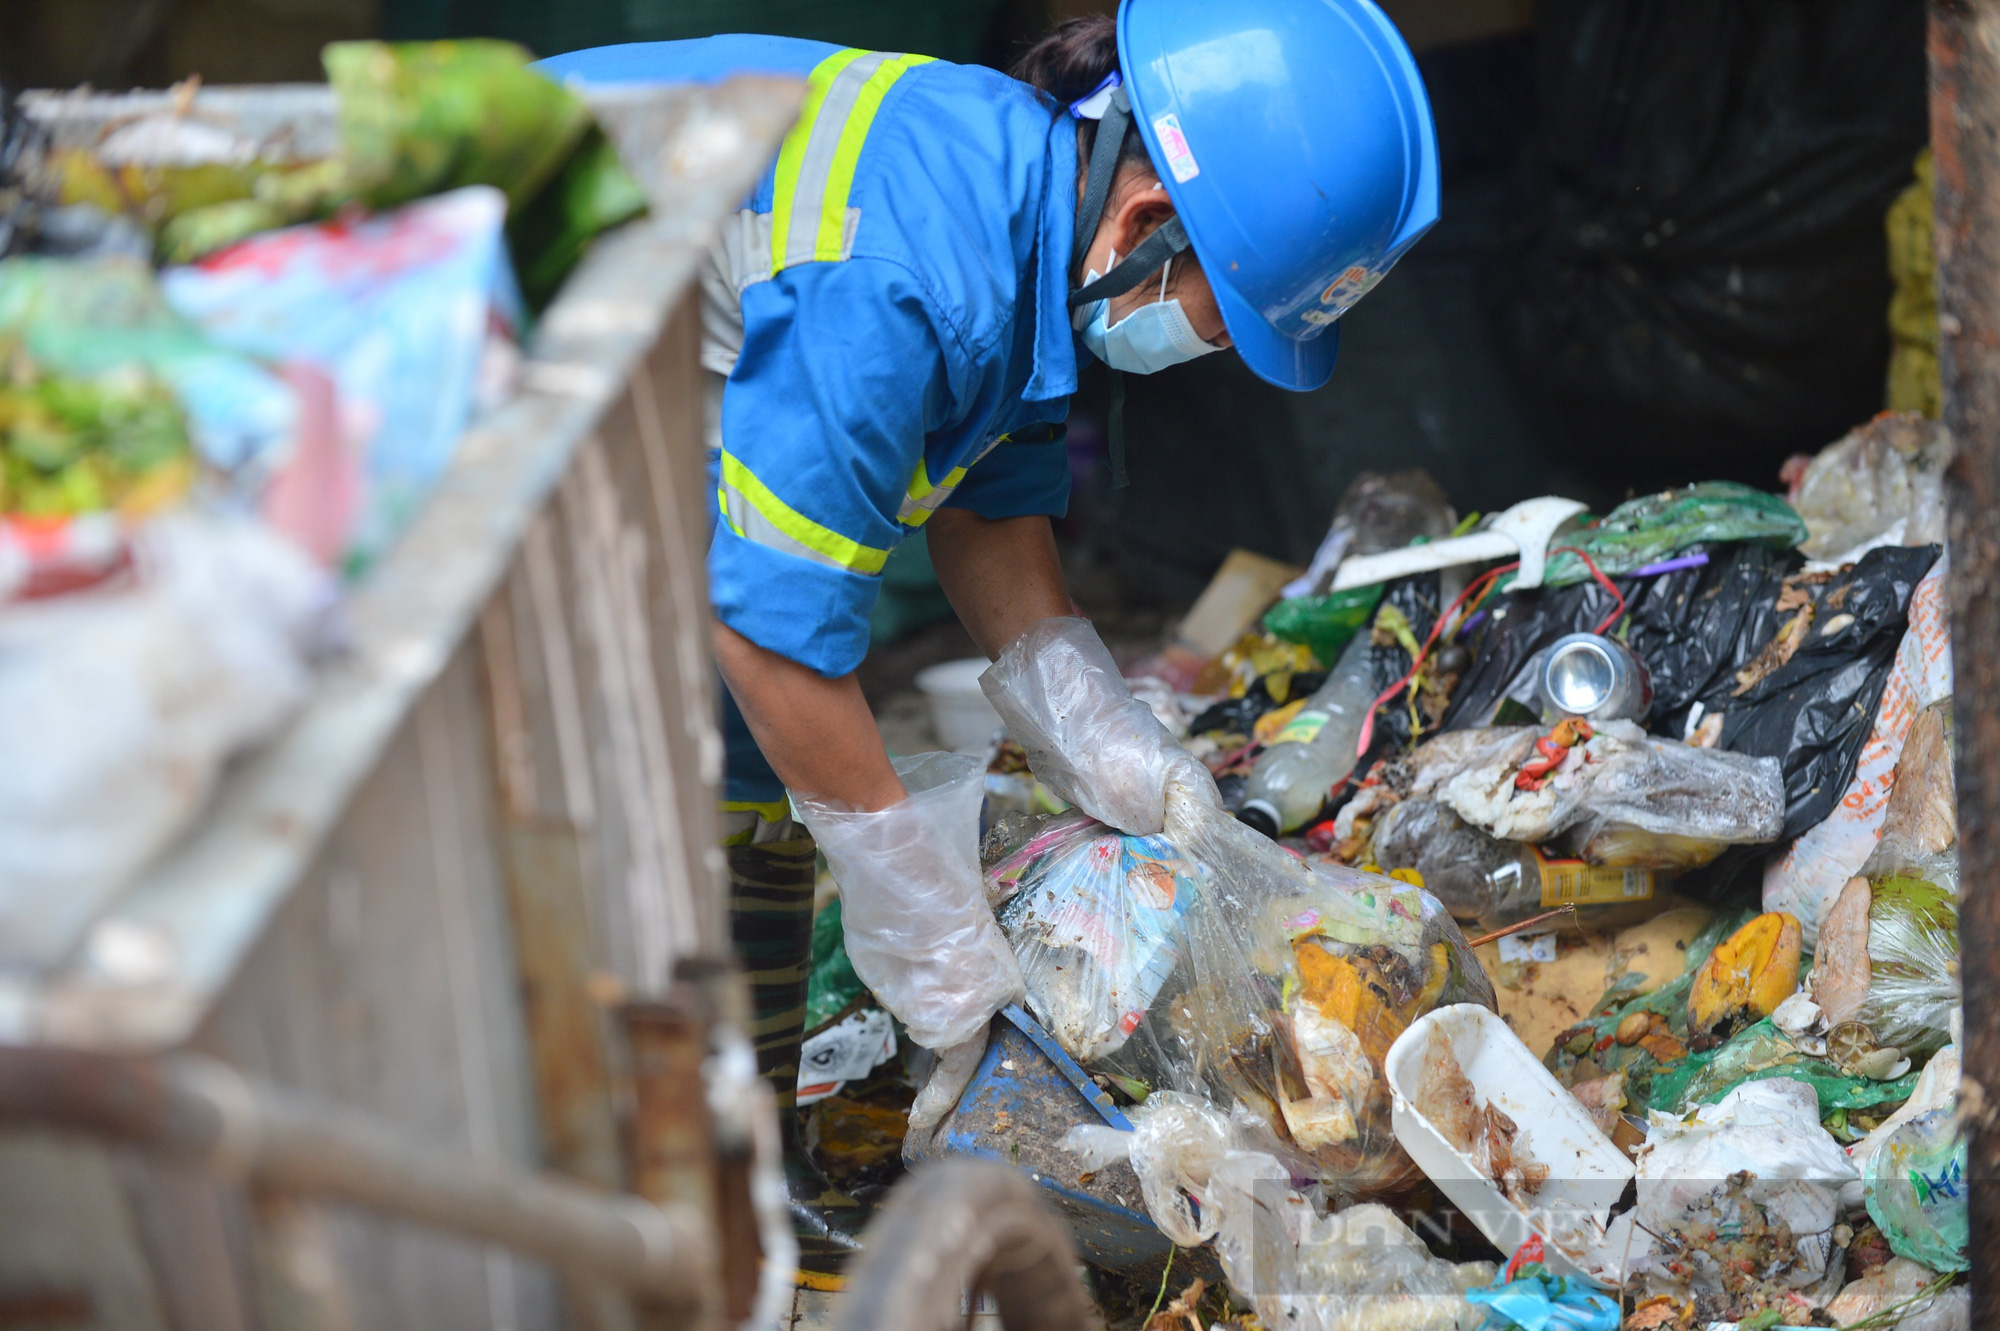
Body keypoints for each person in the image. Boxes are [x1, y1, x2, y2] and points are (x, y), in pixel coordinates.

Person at [536, 0, 1437, 1271]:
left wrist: (1109, 741)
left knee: (756, 761)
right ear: (1139, 228)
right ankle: (571, 1178)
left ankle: (739, 1168)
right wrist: (920, 920)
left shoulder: (1014, 214)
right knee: (641, 743)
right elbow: (774, 641)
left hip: (620, 356)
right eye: (1221, 311)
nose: (1214, 347)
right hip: (440, 346)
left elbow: (986, 521)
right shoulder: (908, 279)